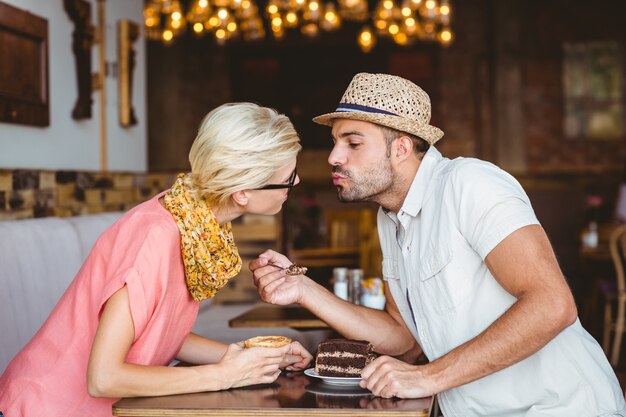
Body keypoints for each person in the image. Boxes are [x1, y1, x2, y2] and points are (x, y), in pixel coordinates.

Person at [250, 73, 626, 416]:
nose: (334, 157)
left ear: (400, 148)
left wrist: (429, 377)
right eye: (335, 143)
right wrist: (302, 289)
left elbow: (552, 305)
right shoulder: (390, 218)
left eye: (353, 143)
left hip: (557, 407)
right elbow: (403, 338)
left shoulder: (470, 184)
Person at [0, 103, 312, 417]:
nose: (295, 183)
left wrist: (255, 357)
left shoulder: (194, 224)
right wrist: (222, 375)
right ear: (242, 192)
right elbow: (103, 378)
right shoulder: (155, 237)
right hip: (43, 409)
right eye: (289, 177)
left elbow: (163, 334)